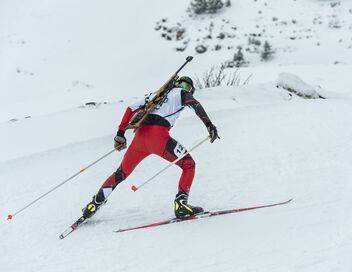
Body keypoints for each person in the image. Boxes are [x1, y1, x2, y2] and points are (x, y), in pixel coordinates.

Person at [82, 76, 219, 219]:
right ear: (187, 87)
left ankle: (94, 204)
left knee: (121, 173)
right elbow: (196, 105)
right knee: (188, 165)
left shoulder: (155, 95)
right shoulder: (182, 93)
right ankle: (181, 205)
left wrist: (120, 133)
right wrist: (210, 126)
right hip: (159, 137)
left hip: (140, 139)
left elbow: (130, 108)